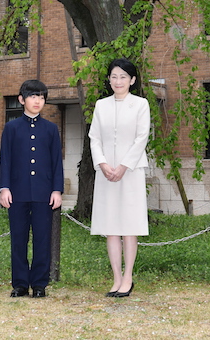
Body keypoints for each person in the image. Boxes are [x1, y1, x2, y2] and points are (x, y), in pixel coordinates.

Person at [89, 58, 150, 298]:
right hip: (105, 173)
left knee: (129, 226)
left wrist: (124, 166)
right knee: (110, 226)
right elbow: (94, 137)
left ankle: (128, 277)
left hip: (131, 172)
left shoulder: (140, 104)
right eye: (114, 76)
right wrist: (102, 163)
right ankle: (115, 278)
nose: (118, 81)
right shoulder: (101, 105)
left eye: (123, 77)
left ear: (132, 80)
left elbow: (141, 137)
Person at [0, 80, 64, 298]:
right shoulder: (11, 128)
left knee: (42, 238)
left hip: (44, 193)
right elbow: (5, 159)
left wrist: (57, 190)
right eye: (33, 96)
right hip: (17, 192)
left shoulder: (51, 129)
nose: (38, 101)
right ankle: (19, 283)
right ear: (21, 99)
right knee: (18, 238)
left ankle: (39, 284)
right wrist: (4, 188)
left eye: (42, 97)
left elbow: (57, 162)